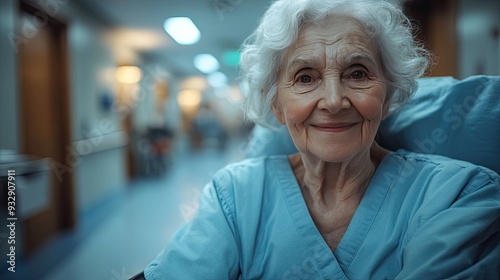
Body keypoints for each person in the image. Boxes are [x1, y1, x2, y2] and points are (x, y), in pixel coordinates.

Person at [142, 0, 500, 279]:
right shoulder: (235, 195)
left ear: (387, 96)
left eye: (357, 73)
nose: (332, 100)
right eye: (305, 77)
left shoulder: (458, 194)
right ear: (278, 106)